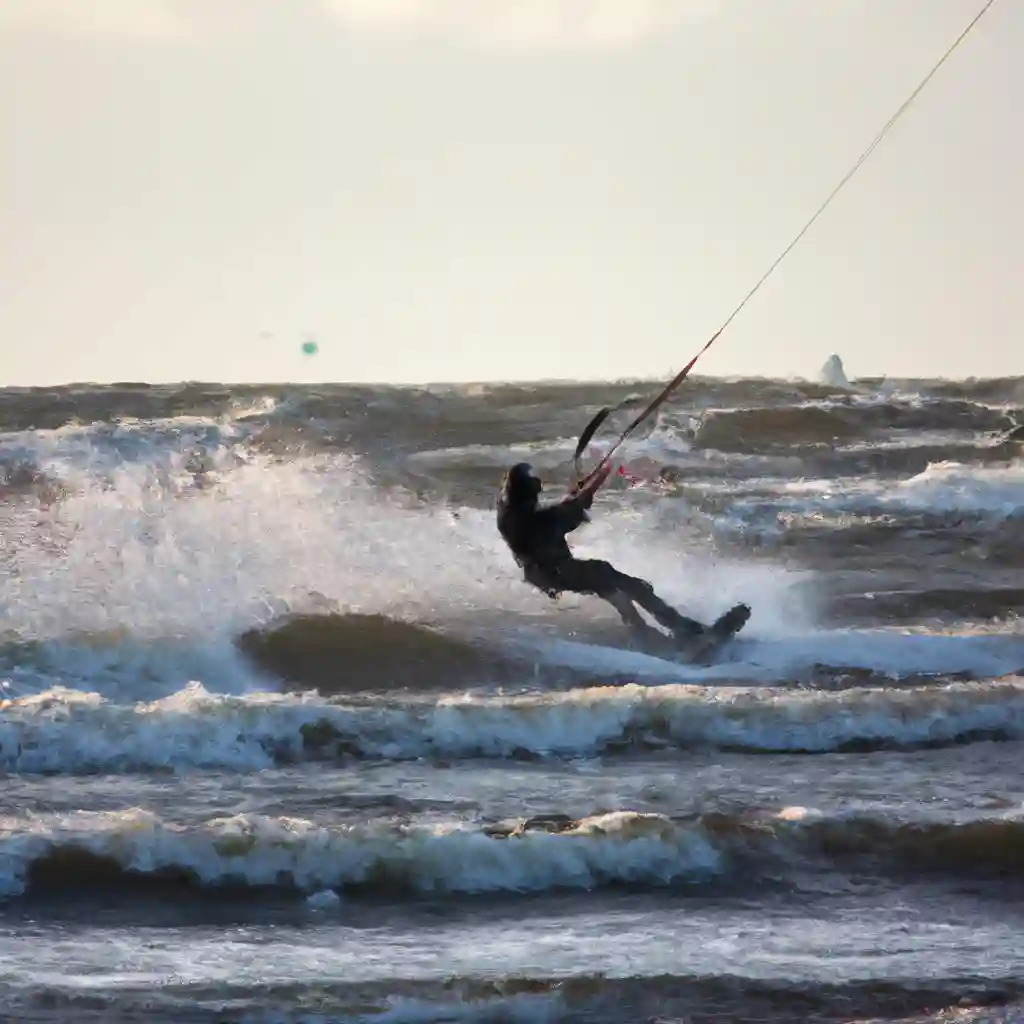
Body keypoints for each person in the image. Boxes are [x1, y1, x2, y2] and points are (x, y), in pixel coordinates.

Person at [496, 461, 750, 642]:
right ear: (527, 492)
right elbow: (574, 508)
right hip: (559, 572)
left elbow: (560, 511)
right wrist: (603, 474)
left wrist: (572, 498)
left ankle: (648, 639)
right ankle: (681, 628)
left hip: (541, 574)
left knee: (616, 592)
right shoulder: (537, 520)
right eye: (536, 485)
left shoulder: (507, 513)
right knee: (629, 584)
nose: (540, 488)